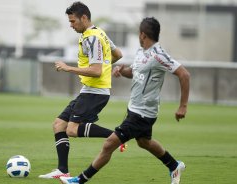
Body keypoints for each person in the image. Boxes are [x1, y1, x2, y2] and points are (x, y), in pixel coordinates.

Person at [60, 17, 190, 184]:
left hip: (143, 113)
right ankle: (174, 165)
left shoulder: (159, 55)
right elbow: (134, 72)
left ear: (143, 35)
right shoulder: (141, 52)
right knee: (144, 142)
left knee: (109, 145)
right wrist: (122, 71)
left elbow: (184, 74)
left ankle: (79, 180)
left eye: (138, 33)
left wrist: (183, 106)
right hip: (134, 109)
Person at [38, 1, 124, 180]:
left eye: (73, 21)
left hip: (96, 92)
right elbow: (118, 55)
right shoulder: (98, 33)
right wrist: (106, 65)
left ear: (84, 18)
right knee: (58, 125)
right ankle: (62, 170)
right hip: (88, 90)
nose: (70, 25)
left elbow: (96, 70)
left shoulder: (92, 38)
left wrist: (68, 68)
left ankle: (116, 136)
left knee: (71, 129)